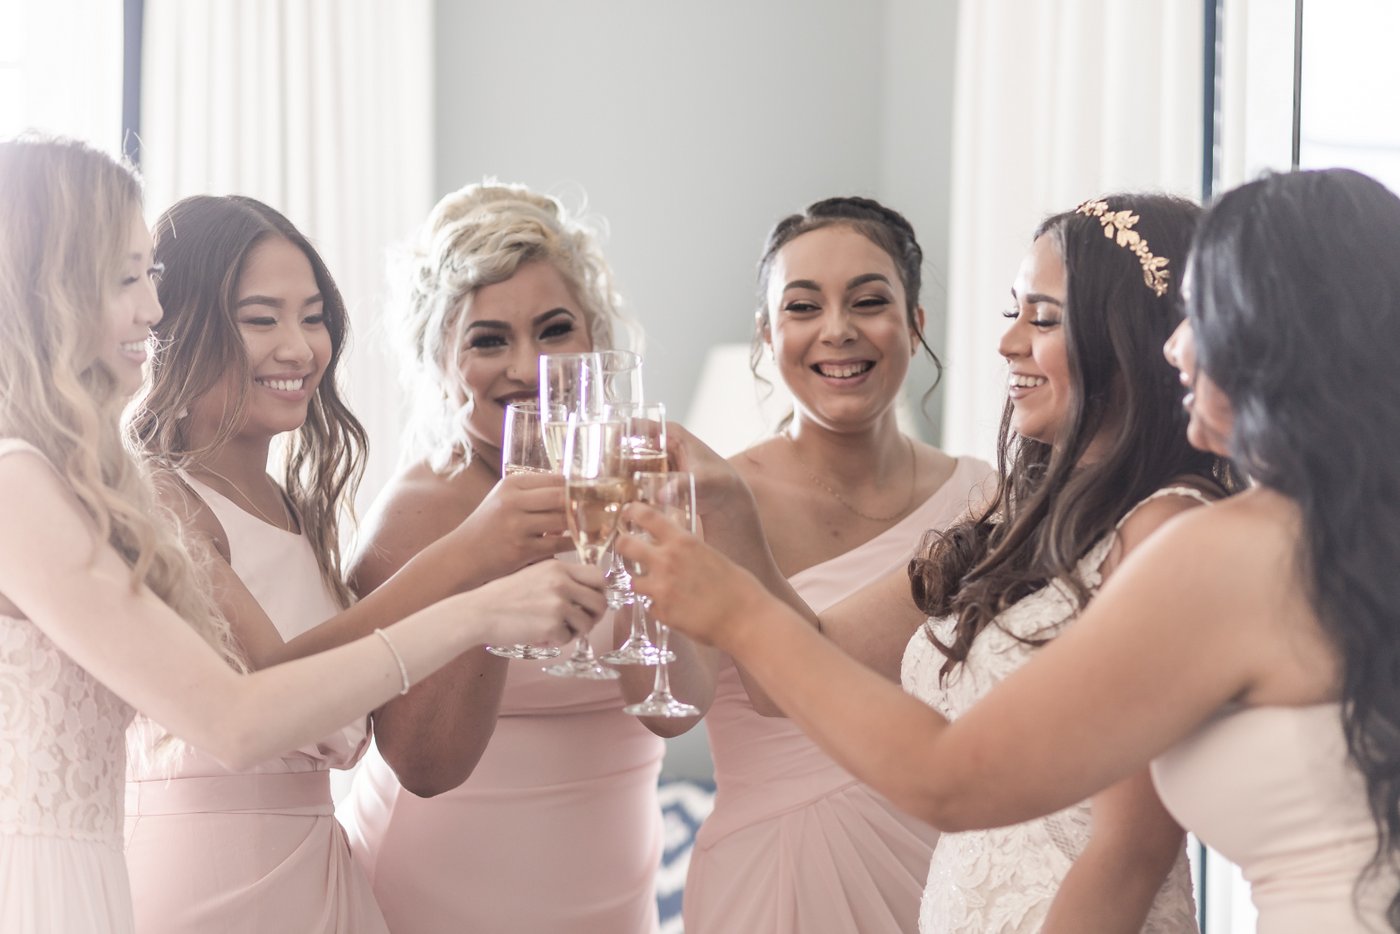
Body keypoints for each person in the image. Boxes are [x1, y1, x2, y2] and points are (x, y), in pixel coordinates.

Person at [624, 169, 1400, 933]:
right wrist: (728, 518)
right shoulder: (1286, 529)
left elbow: (966, 784)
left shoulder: (1196, 537)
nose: (1179, 346)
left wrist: (735, 609)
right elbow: (814, 666)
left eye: (1205, 313)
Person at [0, 136, 602, 934]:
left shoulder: (261, 503)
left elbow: (338, 723)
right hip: (161, 879)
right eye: (128, 278)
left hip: (302, 866)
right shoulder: (78, 486)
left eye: (313, 317)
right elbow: (243, 711)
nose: (153, 307)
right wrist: (477, 587)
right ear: (52, 288)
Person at [624, 197, 992, 933]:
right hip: (774, 875)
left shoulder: (982, 497)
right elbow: (668, 710)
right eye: (802, 306)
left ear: (915, 325)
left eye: (869, 301)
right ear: (766, 335)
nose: (838, 330)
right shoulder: (698, 496)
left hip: (944, 866)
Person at [337, 181, 665, 934]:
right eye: (489, 340)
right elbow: (422, 765)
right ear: (442, 361)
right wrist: (499, 559)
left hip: (613, 910)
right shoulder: (421, 508)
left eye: (555, 330)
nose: (527, 368)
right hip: (436, 904)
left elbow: (677, 705)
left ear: (596, 341)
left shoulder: (630, 487)